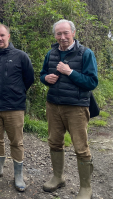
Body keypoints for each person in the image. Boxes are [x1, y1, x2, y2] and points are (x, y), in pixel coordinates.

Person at [40, 19, 98, 199]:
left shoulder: (86, 54)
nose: (62, 37)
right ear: (55, 35)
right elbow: (42, 74)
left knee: (81, 148)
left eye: (66, 33)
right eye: (59, 34)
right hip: (53, 105)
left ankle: (86, 188)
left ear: (73, 33)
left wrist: (69, 72)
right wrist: (45, 79)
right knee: (55, 142)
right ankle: (58, 177)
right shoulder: (51, 53)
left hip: (76, 108)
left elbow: (92, 82)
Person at [0, 24, 34, 192]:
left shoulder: (21, 56)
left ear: (9, 36)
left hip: (14, 107)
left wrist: (14, 92)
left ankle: (18, 175)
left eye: (2, 35)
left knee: (16, 142)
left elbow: (29, 79)